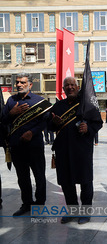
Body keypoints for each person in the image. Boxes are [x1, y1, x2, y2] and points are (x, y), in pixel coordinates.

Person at [48, 77, 103, 224]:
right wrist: (54, 123)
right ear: (63, 88)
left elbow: (98, 122)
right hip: (62, 150)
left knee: (85, 182)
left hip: (82, 150)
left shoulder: (87, 105)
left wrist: (88, 128)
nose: (70, 87)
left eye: (73, 85)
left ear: (78, 87)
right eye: (67, 85)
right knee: (66, 183)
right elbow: (49, 126)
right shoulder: (57, 106)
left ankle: (85, 212)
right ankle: (72, 211)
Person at [1, 73, 50, 216]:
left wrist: (32, 132)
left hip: (34, 145)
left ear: (30, 84)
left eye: (22, 82)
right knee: (22, 177)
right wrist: (12, 113)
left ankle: (40, 205)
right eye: (17, 82)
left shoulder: (40, 101)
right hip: (17, 146)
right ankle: (26, 204)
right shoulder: (11, 101)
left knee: (39, 176)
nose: (19, 85)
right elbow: (3, 121)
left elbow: (46, 121)